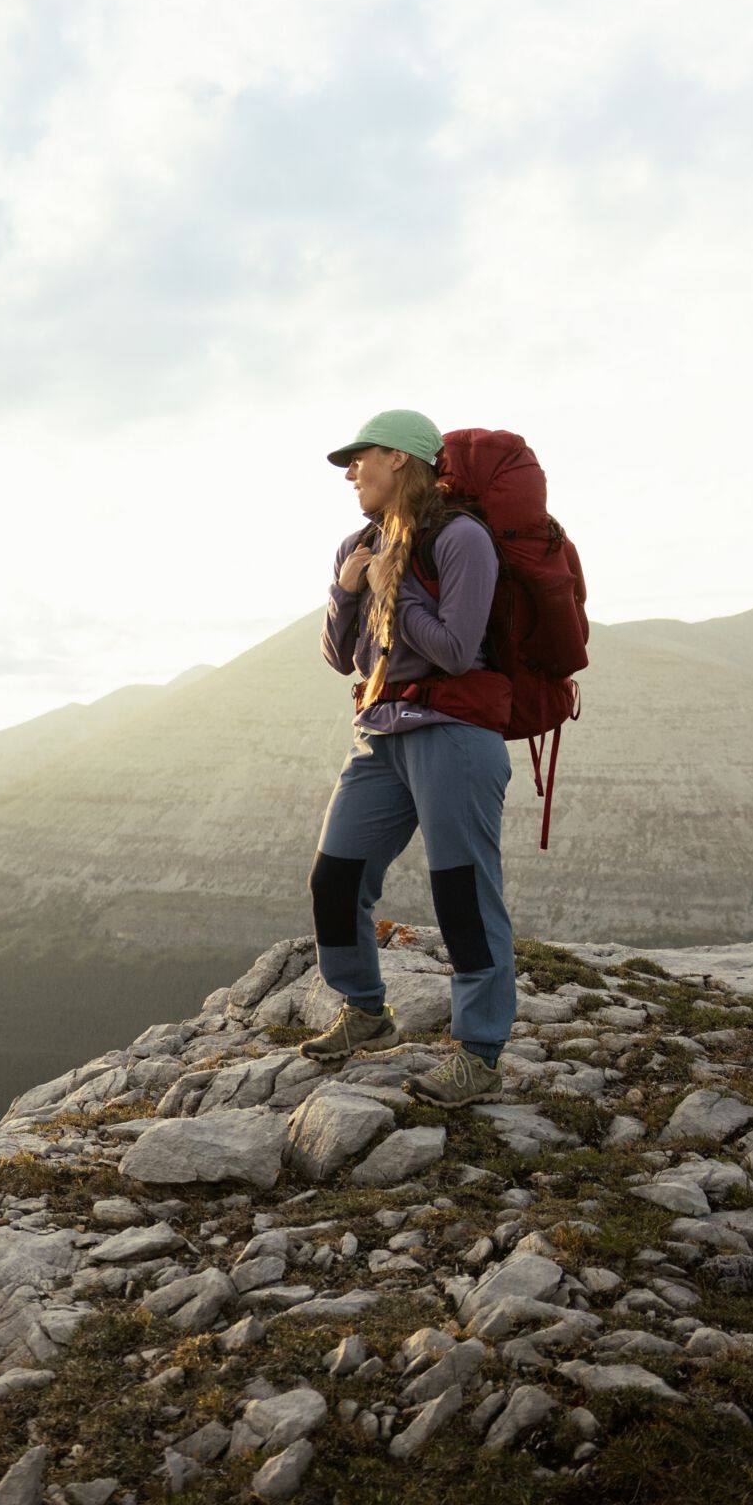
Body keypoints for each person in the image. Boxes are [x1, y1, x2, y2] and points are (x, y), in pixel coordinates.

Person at [299, 408, 520, 1108]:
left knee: (461, 892)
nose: (349, 473)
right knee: (335, 877)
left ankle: (480, 1054)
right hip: (378, 732)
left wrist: (400, 587)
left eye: (359, 458)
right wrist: (351, 587)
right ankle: (366, 1011)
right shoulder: (355, 545)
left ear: (400, 458)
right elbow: (340, 658)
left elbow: (456, 648)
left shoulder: (462, 539)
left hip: (453, 731)